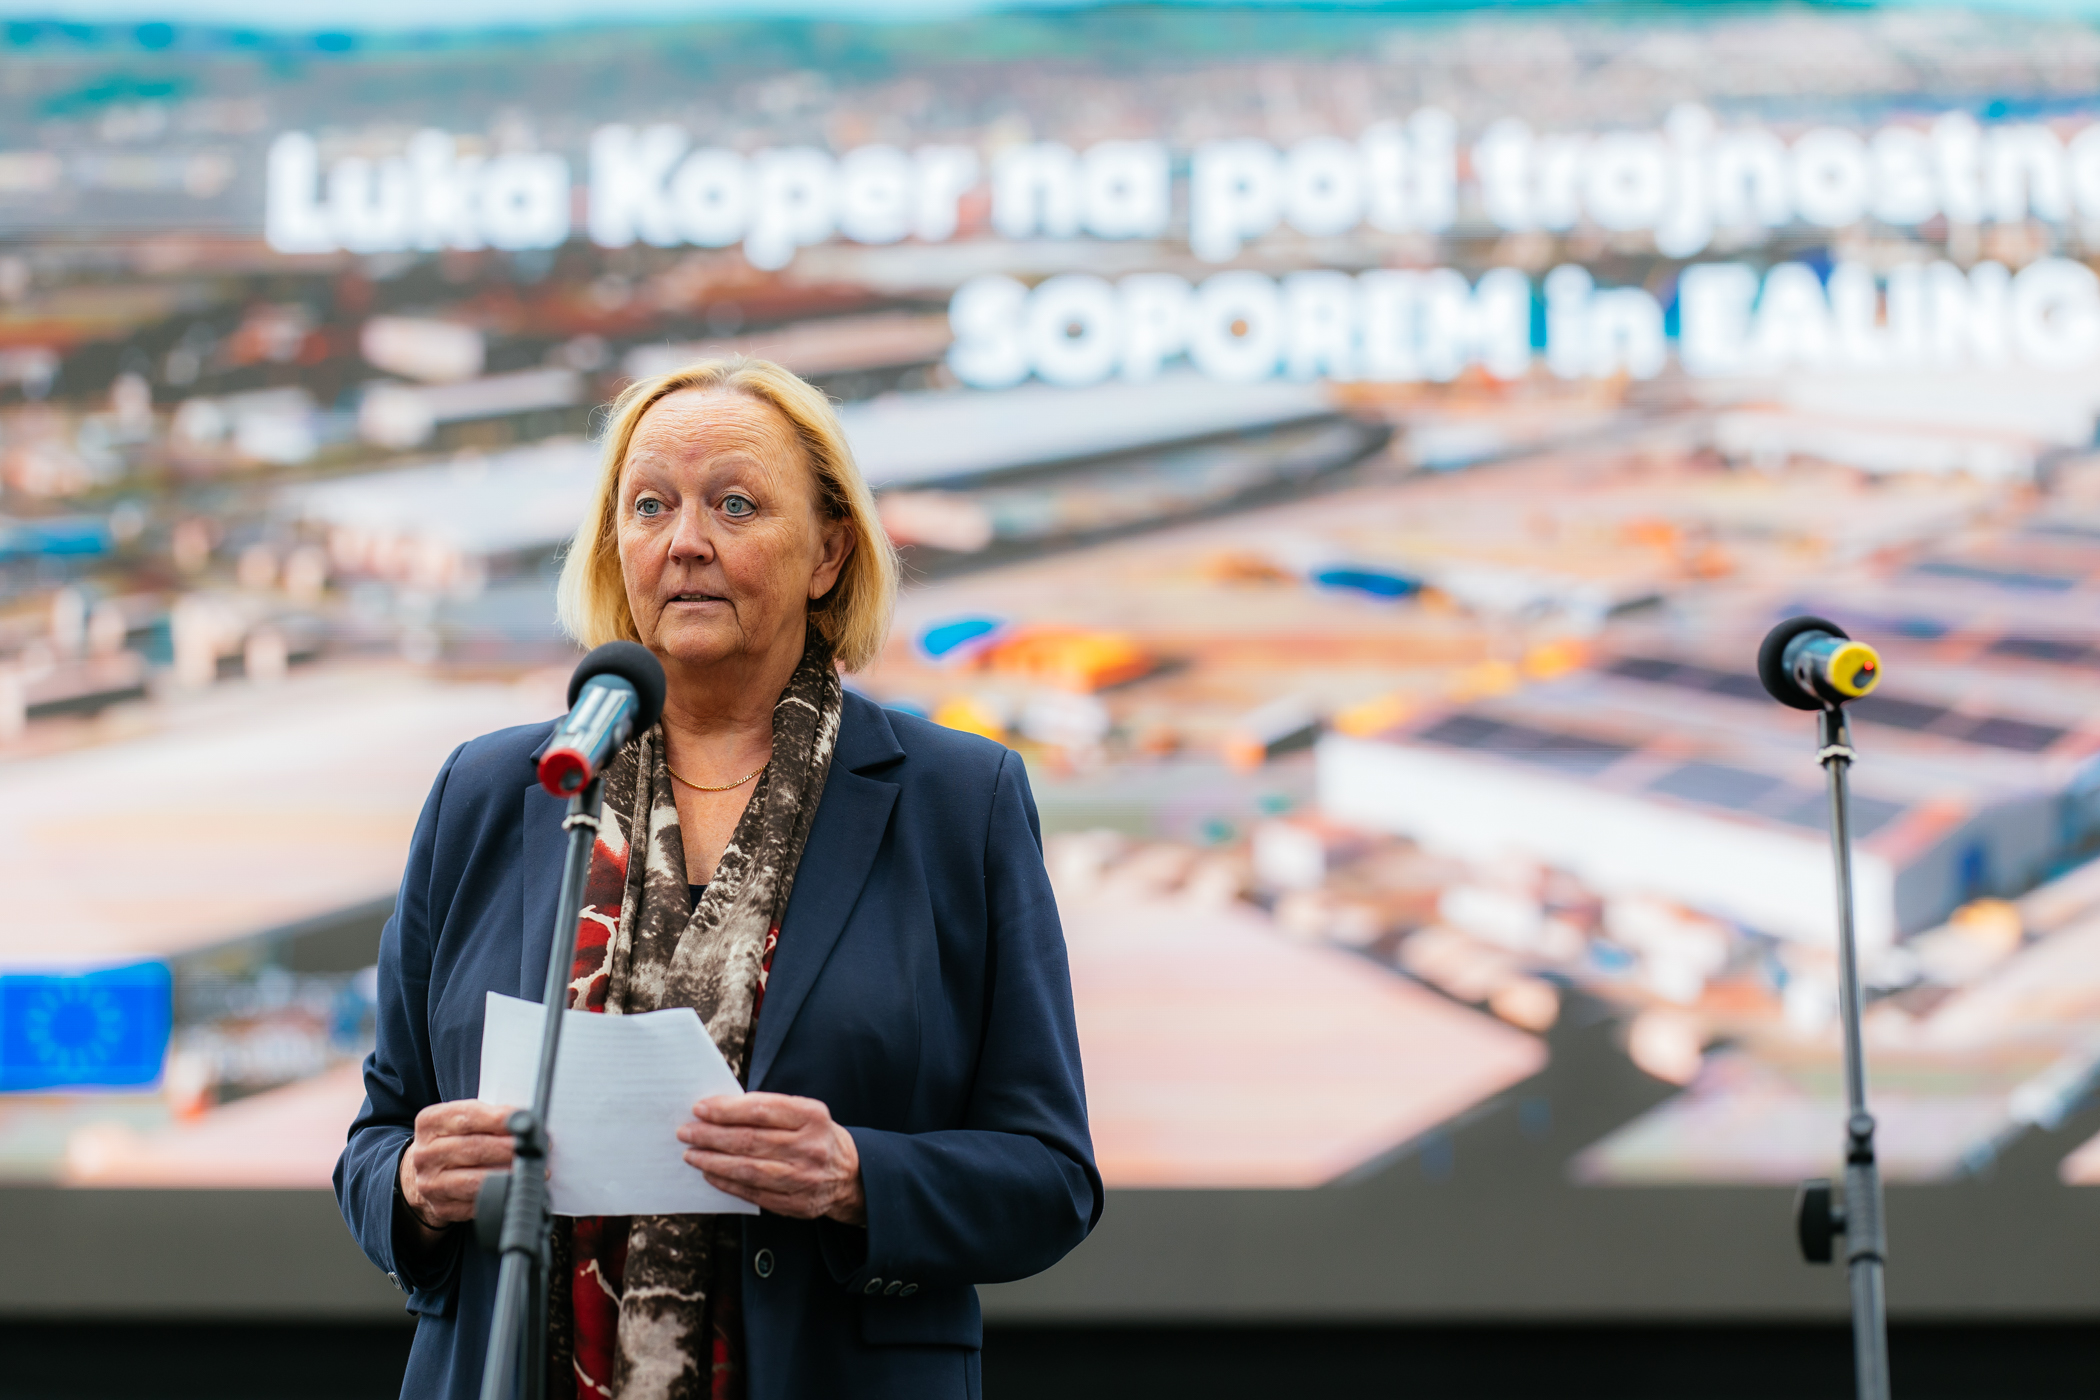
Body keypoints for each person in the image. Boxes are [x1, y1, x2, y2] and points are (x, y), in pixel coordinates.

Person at [334, 356, 1102, 1400]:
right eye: (650, 504)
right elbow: (379, 1138)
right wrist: (415, 1185)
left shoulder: (956, 801)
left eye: (733, 504)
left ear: (829, 552)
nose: (685, 538)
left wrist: (856, 1175)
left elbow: (1050, 1177)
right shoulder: (495, 792)